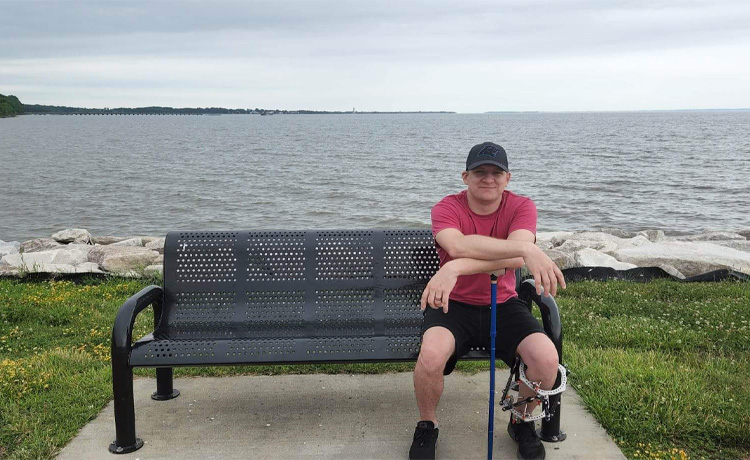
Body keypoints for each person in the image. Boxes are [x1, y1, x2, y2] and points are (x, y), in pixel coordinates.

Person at [409, 142, 566, 460]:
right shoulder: (446, 207)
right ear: (465, 176)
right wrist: (524, 251)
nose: (488, 178)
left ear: (508, 178)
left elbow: (506, 261)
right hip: (452, 305)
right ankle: (427, 424)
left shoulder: (522, 206)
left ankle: (520, 420)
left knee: (547, 359)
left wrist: (455, 266)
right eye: (480, 171)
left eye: (497, 172)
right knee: (430, 357)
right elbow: (459, 245)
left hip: (504, 303)